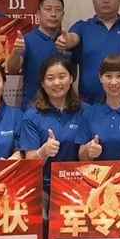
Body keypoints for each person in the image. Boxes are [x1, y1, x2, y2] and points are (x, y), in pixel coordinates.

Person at [19, 55, 89, 198]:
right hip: (43, 190)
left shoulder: (86, 112)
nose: (57, 83)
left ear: (71, 78)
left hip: (79, 188)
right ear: (42, 83)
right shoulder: (31, 116)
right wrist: (43, 152)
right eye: (50, 78)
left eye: (62, 77)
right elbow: (29, 162)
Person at [7, 0, 78, 109]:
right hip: (33, 107)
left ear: (63, 14)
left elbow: (73, 75)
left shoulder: (68, 41)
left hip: (64, 107)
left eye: (58, 10)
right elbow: (12, 70)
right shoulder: (27, 39)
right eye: (48, 9)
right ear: (38, 14)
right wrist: (16, 53)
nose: (53, 14)